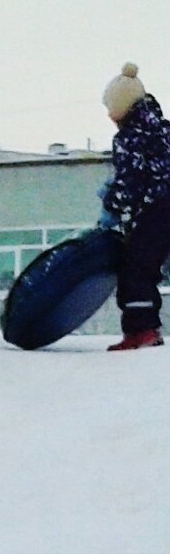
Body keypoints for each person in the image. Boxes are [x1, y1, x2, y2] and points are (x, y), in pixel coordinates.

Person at [97, 62, 170, 351]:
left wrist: (112, 204)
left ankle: (142, 330)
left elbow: (130, 181)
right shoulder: (163, 129)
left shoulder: (129, 138)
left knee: (136, 267)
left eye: (110, 108)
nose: (108, 115)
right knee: (146, 265)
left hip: (158, 207)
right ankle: (145, 329)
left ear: (122, 108)